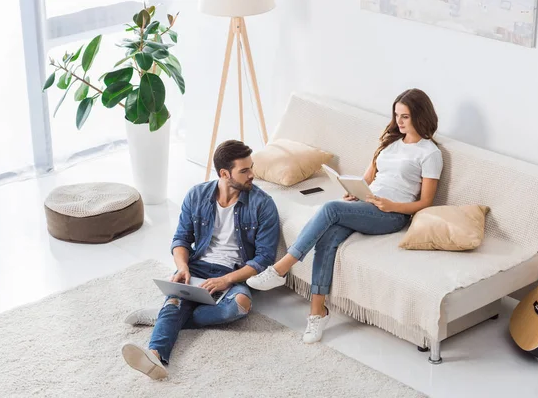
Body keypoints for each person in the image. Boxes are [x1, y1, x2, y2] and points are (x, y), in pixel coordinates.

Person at [246, 88, 444, 344]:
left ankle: (281, 268)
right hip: (367, 204)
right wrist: (353, 191)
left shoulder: (430, 153)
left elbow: (425, 201)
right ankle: (317, 312)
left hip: (392, 215)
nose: (399, 122)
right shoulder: (389, 144)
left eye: (405, 116)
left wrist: (392, 206)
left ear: (420, 116)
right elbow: (366, 179)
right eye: (396, 115)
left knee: (330, 209)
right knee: (328, 236)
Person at [121, 140, 280, 380]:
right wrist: (183, 268)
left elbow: (264, 258)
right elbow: (180, 240)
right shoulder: (197, 195)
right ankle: (155, 355)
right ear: (225, 174)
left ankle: (166, 315)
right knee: (177, 295)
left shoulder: (263, 204)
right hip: (197, 267)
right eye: (244, 170)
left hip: (234, 272)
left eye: (251, 167)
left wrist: (226, 280)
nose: (252, 175)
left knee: (240, 305)